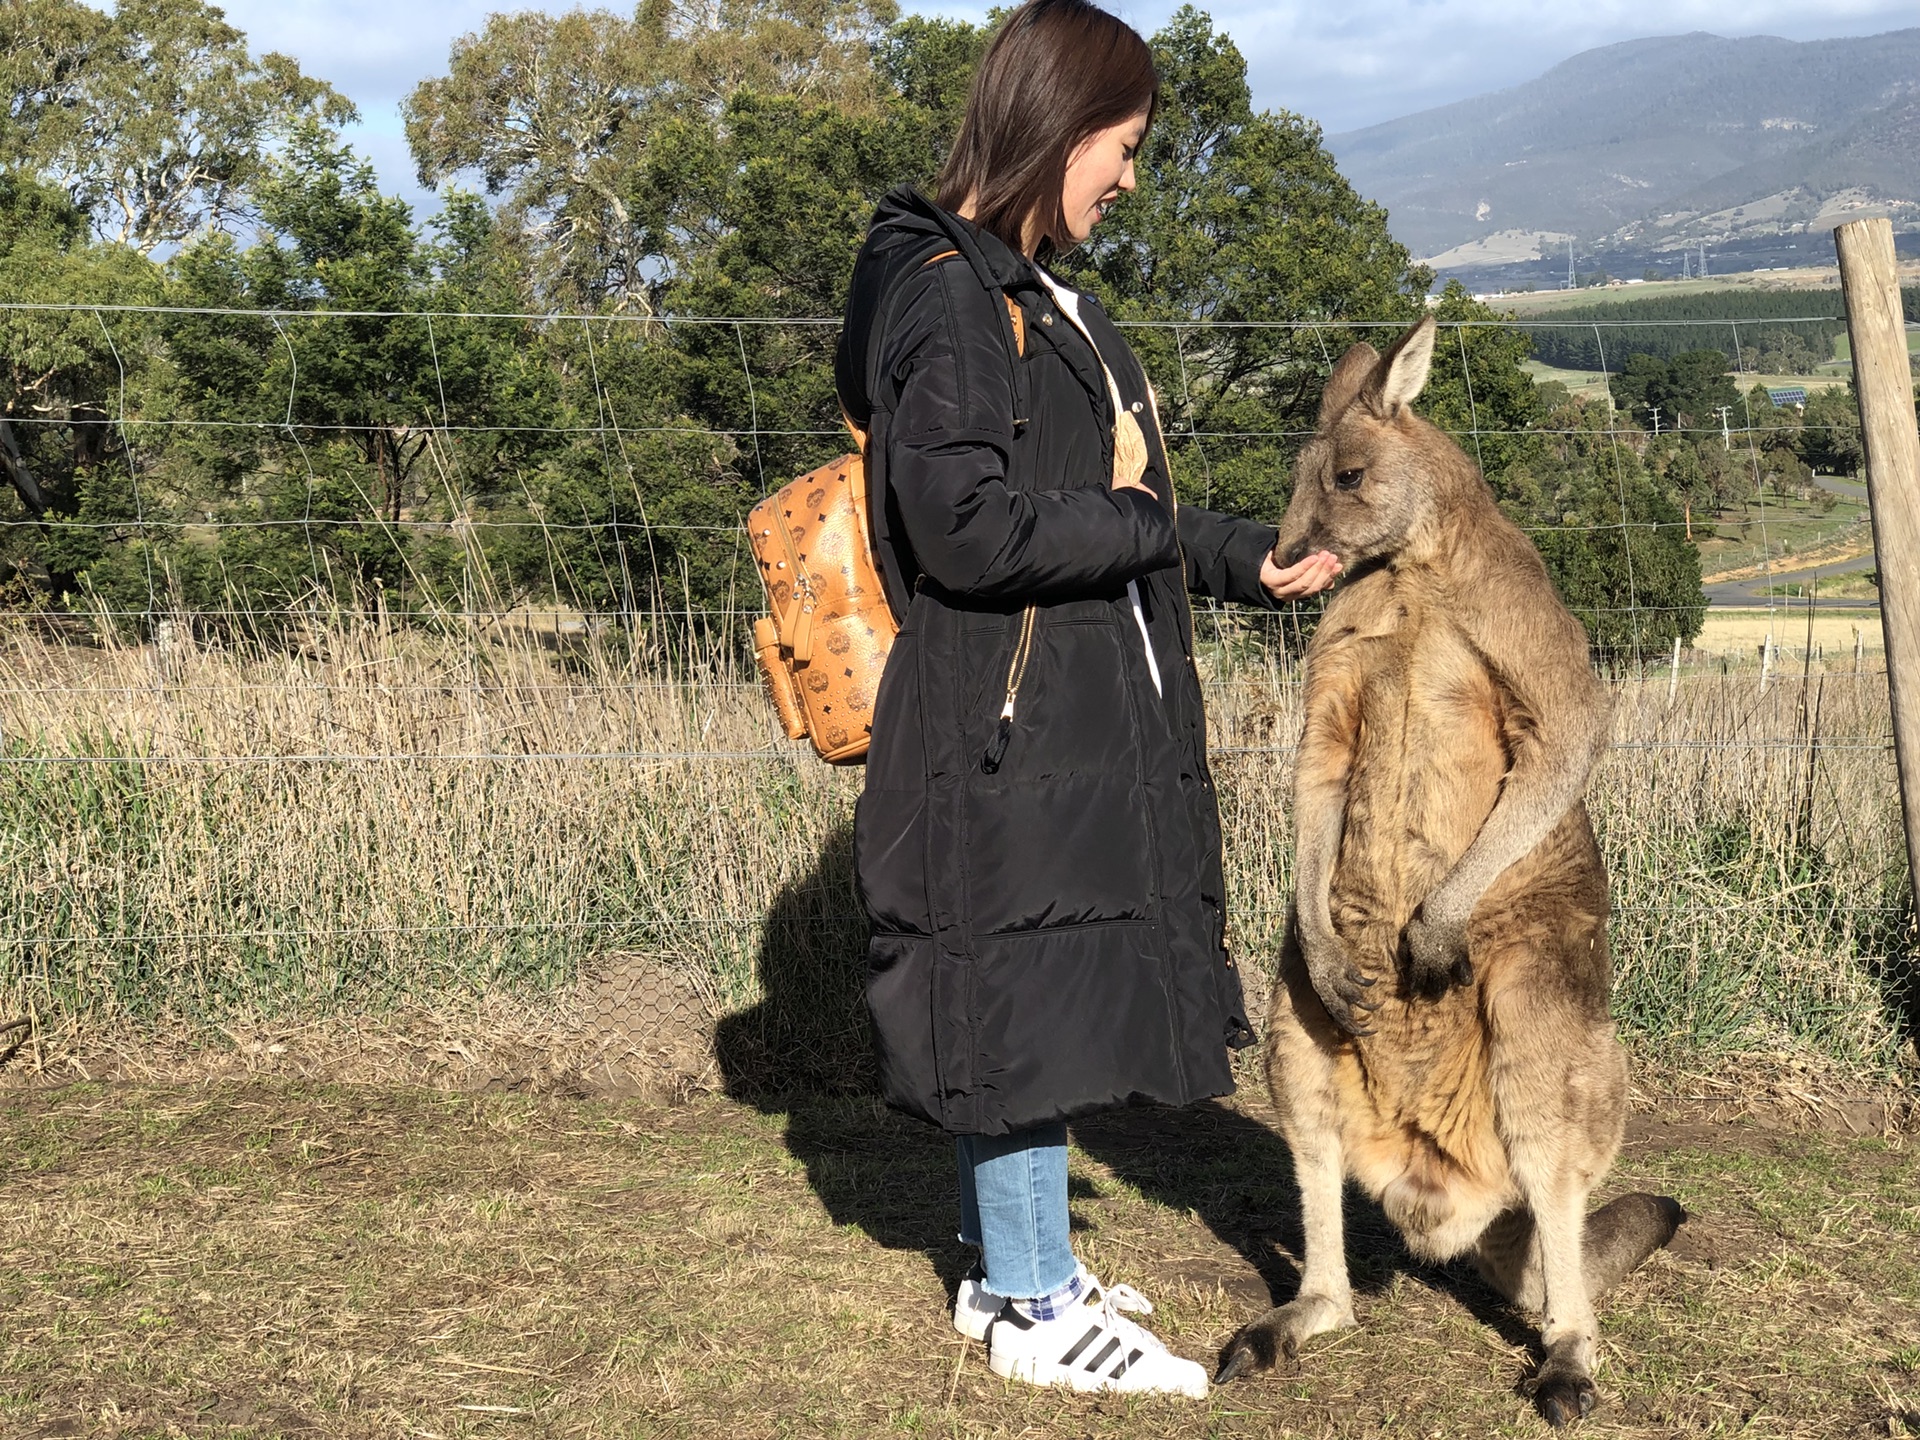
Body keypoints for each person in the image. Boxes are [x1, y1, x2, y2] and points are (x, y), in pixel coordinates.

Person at [833, 0, 1340, 1400]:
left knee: (1030, 989)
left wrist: (1246, 557)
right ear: (1053, 125)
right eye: (1119, 145)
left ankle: (1017, 1277)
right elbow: (971, 532)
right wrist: (1131, 524)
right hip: (995, 729)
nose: (1127, 175)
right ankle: (1037, 1304)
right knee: (1012, 998)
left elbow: (1132, 508)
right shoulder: (952, 295)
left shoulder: (1030, 293)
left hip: (1037, 724)